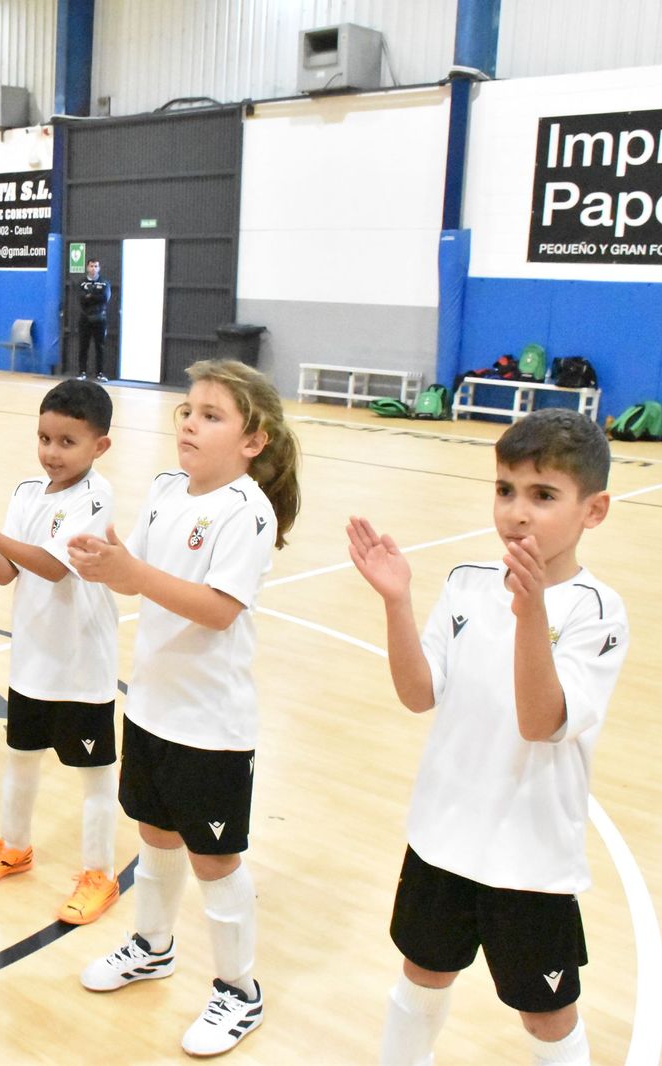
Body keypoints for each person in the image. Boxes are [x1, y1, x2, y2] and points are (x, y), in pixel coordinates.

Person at [346, 409, 627, 1066]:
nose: (517, 512)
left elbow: (540, 721)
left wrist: (531, 615)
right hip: (442, 835)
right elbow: (418, 695)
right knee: (421, 977)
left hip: (529, 858)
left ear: (595, 510)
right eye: (505, 490)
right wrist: (396, 602)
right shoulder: (468, 584)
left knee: (545, 1013)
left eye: (543, 495)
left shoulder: (595, 611)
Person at [69, 359, 301, 1057]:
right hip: (152, 708)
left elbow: (218, 610)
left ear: (252, 440)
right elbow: (143, 565)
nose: (191, 425)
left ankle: (239, 990)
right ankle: (152, 944)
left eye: (211, 415)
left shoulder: (247, 511)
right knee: (156, 836)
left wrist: (132, 574)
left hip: (210, 726)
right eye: (188, 412)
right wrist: (109, 554)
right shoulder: (170, 487)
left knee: (215, 860)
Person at [0, 379, 122, 924]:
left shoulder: (95, 497)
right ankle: (13, 845)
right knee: (20, 760)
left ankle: (99, 873)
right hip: (32, 660)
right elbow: (9, 570)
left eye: (66, 442)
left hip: (82, 663)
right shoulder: (25, 494)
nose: (51, 452)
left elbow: (56, 566)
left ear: (98, 446)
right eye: (44, 438)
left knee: (95, 776)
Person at [76, 258, 111, 382]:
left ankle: (100, 373)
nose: (93, 268)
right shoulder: (81, 283)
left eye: (96, 266)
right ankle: (82, 372)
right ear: (87, 267)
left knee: (100, 347)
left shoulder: (104, 283)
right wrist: (94, 296)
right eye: (91, 266)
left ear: (99, 268)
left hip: (100, 318)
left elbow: (104, 298)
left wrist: (90, 295)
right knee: (83, 346)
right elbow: (82, 299)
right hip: (85, 318)